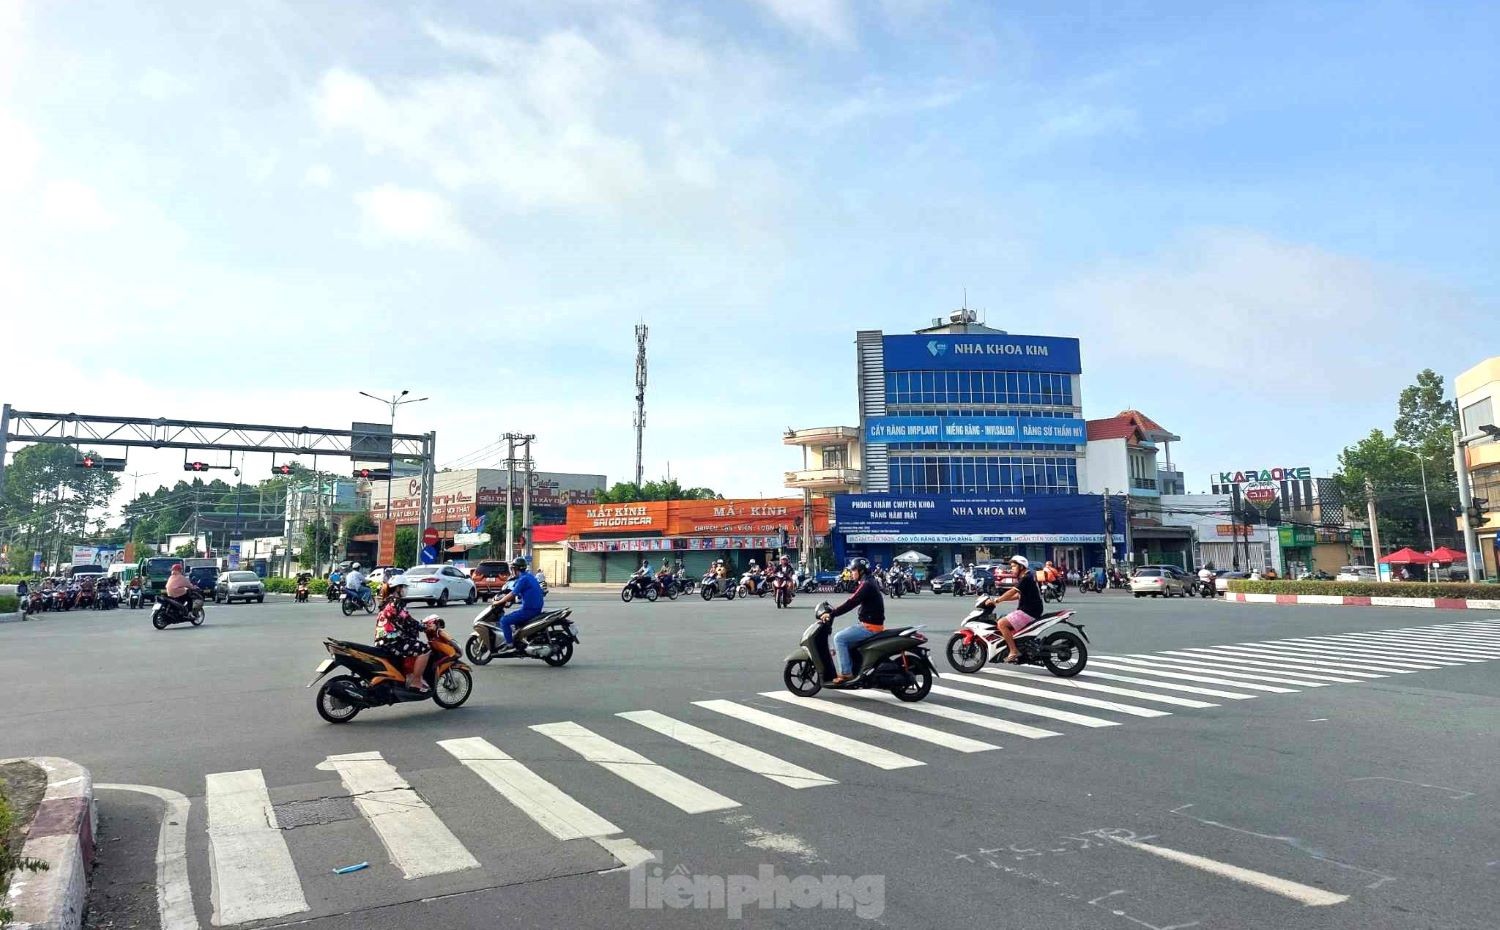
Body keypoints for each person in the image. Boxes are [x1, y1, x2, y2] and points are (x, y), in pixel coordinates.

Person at [818, 558, 885, 685]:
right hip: (870, 624)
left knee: (839, 638)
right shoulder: (869, 582)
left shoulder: (866, 585)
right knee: (847, 638)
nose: (852, 572)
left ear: (861, 571)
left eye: (854, 570)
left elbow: (852, 602)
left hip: (870, 627)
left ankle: (846, 673)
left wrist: (832, 614)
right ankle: (854, 668)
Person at [984, 555, 1045, 664]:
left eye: (1013, 566)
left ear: (1021, 566)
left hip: (1029, 611)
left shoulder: (1025, 578)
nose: (1011, 569)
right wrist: (1001, 600)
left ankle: (1013, 651)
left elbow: (1012, 591)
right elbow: (1017, 595)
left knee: (1002, 623)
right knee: (1004, 618)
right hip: (1032, 609)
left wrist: (996, 601)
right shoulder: (1028, 576)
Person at [374, 593, 431, 691]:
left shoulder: (387, 601)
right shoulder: (396, 602)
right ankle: (416, 681)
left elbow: (399, 621)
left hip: (382, 640)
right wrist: (423, 627)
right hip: (392, 640)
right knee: (425, 649)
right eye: (403, 587)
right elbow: (407, 619)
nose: (405, 590)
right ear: (398, 588)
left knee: (410, 643)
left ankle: (408, 676)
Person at [494, 556, 544, 651]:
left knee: (504, 621)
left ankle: (509, 644)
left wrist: (499, 602)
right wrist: (510, 601)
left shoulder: (522, 579)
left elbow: (513, 594)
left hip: (529, 610)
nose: (512, 571)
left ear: (516, 569)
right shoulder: (529, 576)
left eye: (512, 569)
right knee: (516, 622)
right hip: (535, 608)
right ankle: (520, 640)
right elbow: (523, 594)